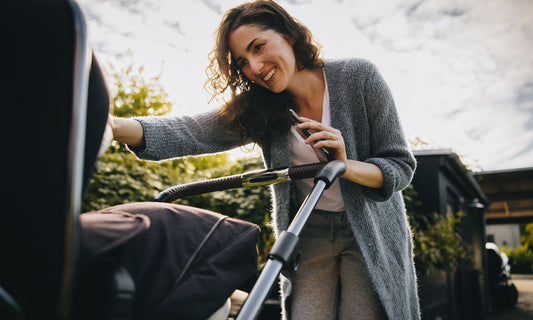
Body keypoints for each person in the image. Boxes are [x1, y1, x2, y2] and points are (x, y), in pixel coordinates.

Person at [110, 1, 420, 319]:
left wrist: (346, 163)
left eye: (258, 47)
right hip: (308, 233)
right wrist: (111, 126)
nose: (255, 67)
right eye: (243, 62)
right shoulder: (260, 108)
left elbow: (399, 166)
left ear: (289, 34)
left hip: (367, 231)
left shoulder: (358, 77)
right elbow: (190, 131)